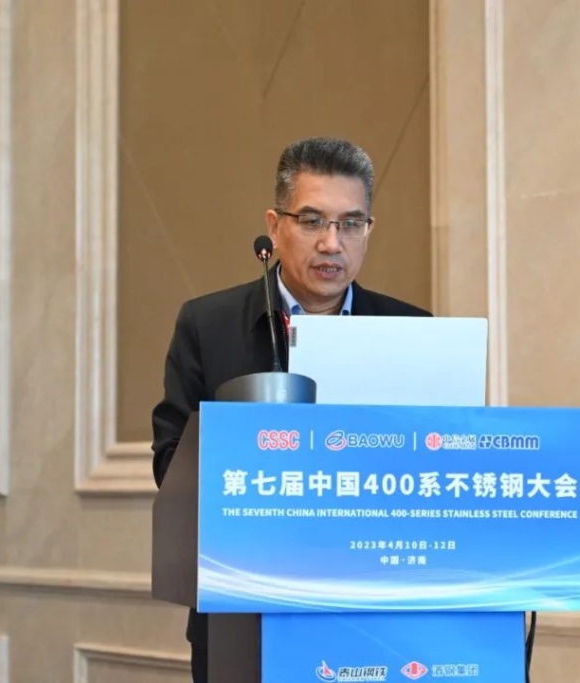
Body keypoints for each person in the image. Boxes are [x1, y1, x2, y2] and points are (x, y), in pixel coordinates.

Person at [150, 136, 432, 683]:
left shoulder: (414, 332)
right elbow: (170, 462)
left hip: (374, 614)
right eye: (312, 221)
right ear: (275, 227)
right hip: (243, 615)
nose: (332, 242)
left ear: (369, 230)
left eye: (351, 223)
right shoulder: (208, 325)